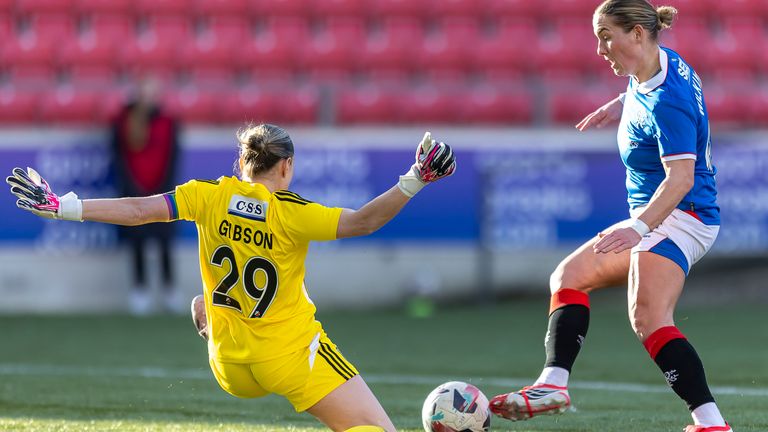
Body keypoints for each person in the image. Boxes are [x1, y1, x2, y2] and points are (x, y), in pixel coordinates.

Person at [6, 123, 455, 432]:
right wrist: (417, 178)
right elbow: (363, 222)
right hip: (288, 359)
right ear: (285, 167)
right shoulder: (290, 212)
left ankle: (209, 321)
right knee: (377, 428)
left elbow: (140, 211)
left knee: (206, 302)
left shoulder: (207, 195)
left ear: (242, 162)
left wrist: (64, 206)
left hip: (229, 368)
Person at [488, 2, 729, 432]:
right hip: (664, 213)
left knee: (649, 318)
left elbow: (681, 179)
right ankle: (553, 385)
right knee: (569, 277)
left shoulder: (667, 100)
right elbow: (652, 90)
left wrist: (638, 227)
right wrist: (622, 102)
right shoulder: (657, 67)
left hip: (681, 215)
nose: (600, 48)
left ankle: (711, 423)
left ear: (637, 33)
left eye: (606, 36)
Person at [110, 77, 180, 315]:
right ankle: (140, 291)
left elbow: (173, 159)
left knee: (164, 242)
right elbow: (119, 160)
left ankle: (169, 290)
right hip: (134, 193)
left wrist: (165, 189)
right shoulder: (123, 121)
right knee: (137, 241)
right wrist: (132, 189)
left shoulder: (169, 122)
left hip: (162, 192)